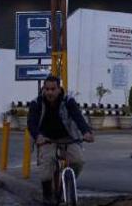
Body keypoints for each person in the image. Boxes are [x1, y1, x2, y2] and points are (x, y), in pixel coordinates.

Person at [27, 75, 94, 204]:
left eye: (53, 89)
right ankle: (47, 195)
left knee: (79, 161)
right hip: (46, 139)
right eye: (47, 89)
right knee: (46, 166)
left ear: (59, 89)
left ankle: (67, 184)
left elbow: (78, 117)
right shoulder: (37, 103)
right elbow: (32, 123)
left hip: (68, 137)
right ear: (43, 89)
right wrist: (38, 137)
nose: (50, 92)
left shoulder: (68, 101)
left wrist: (86, 132)